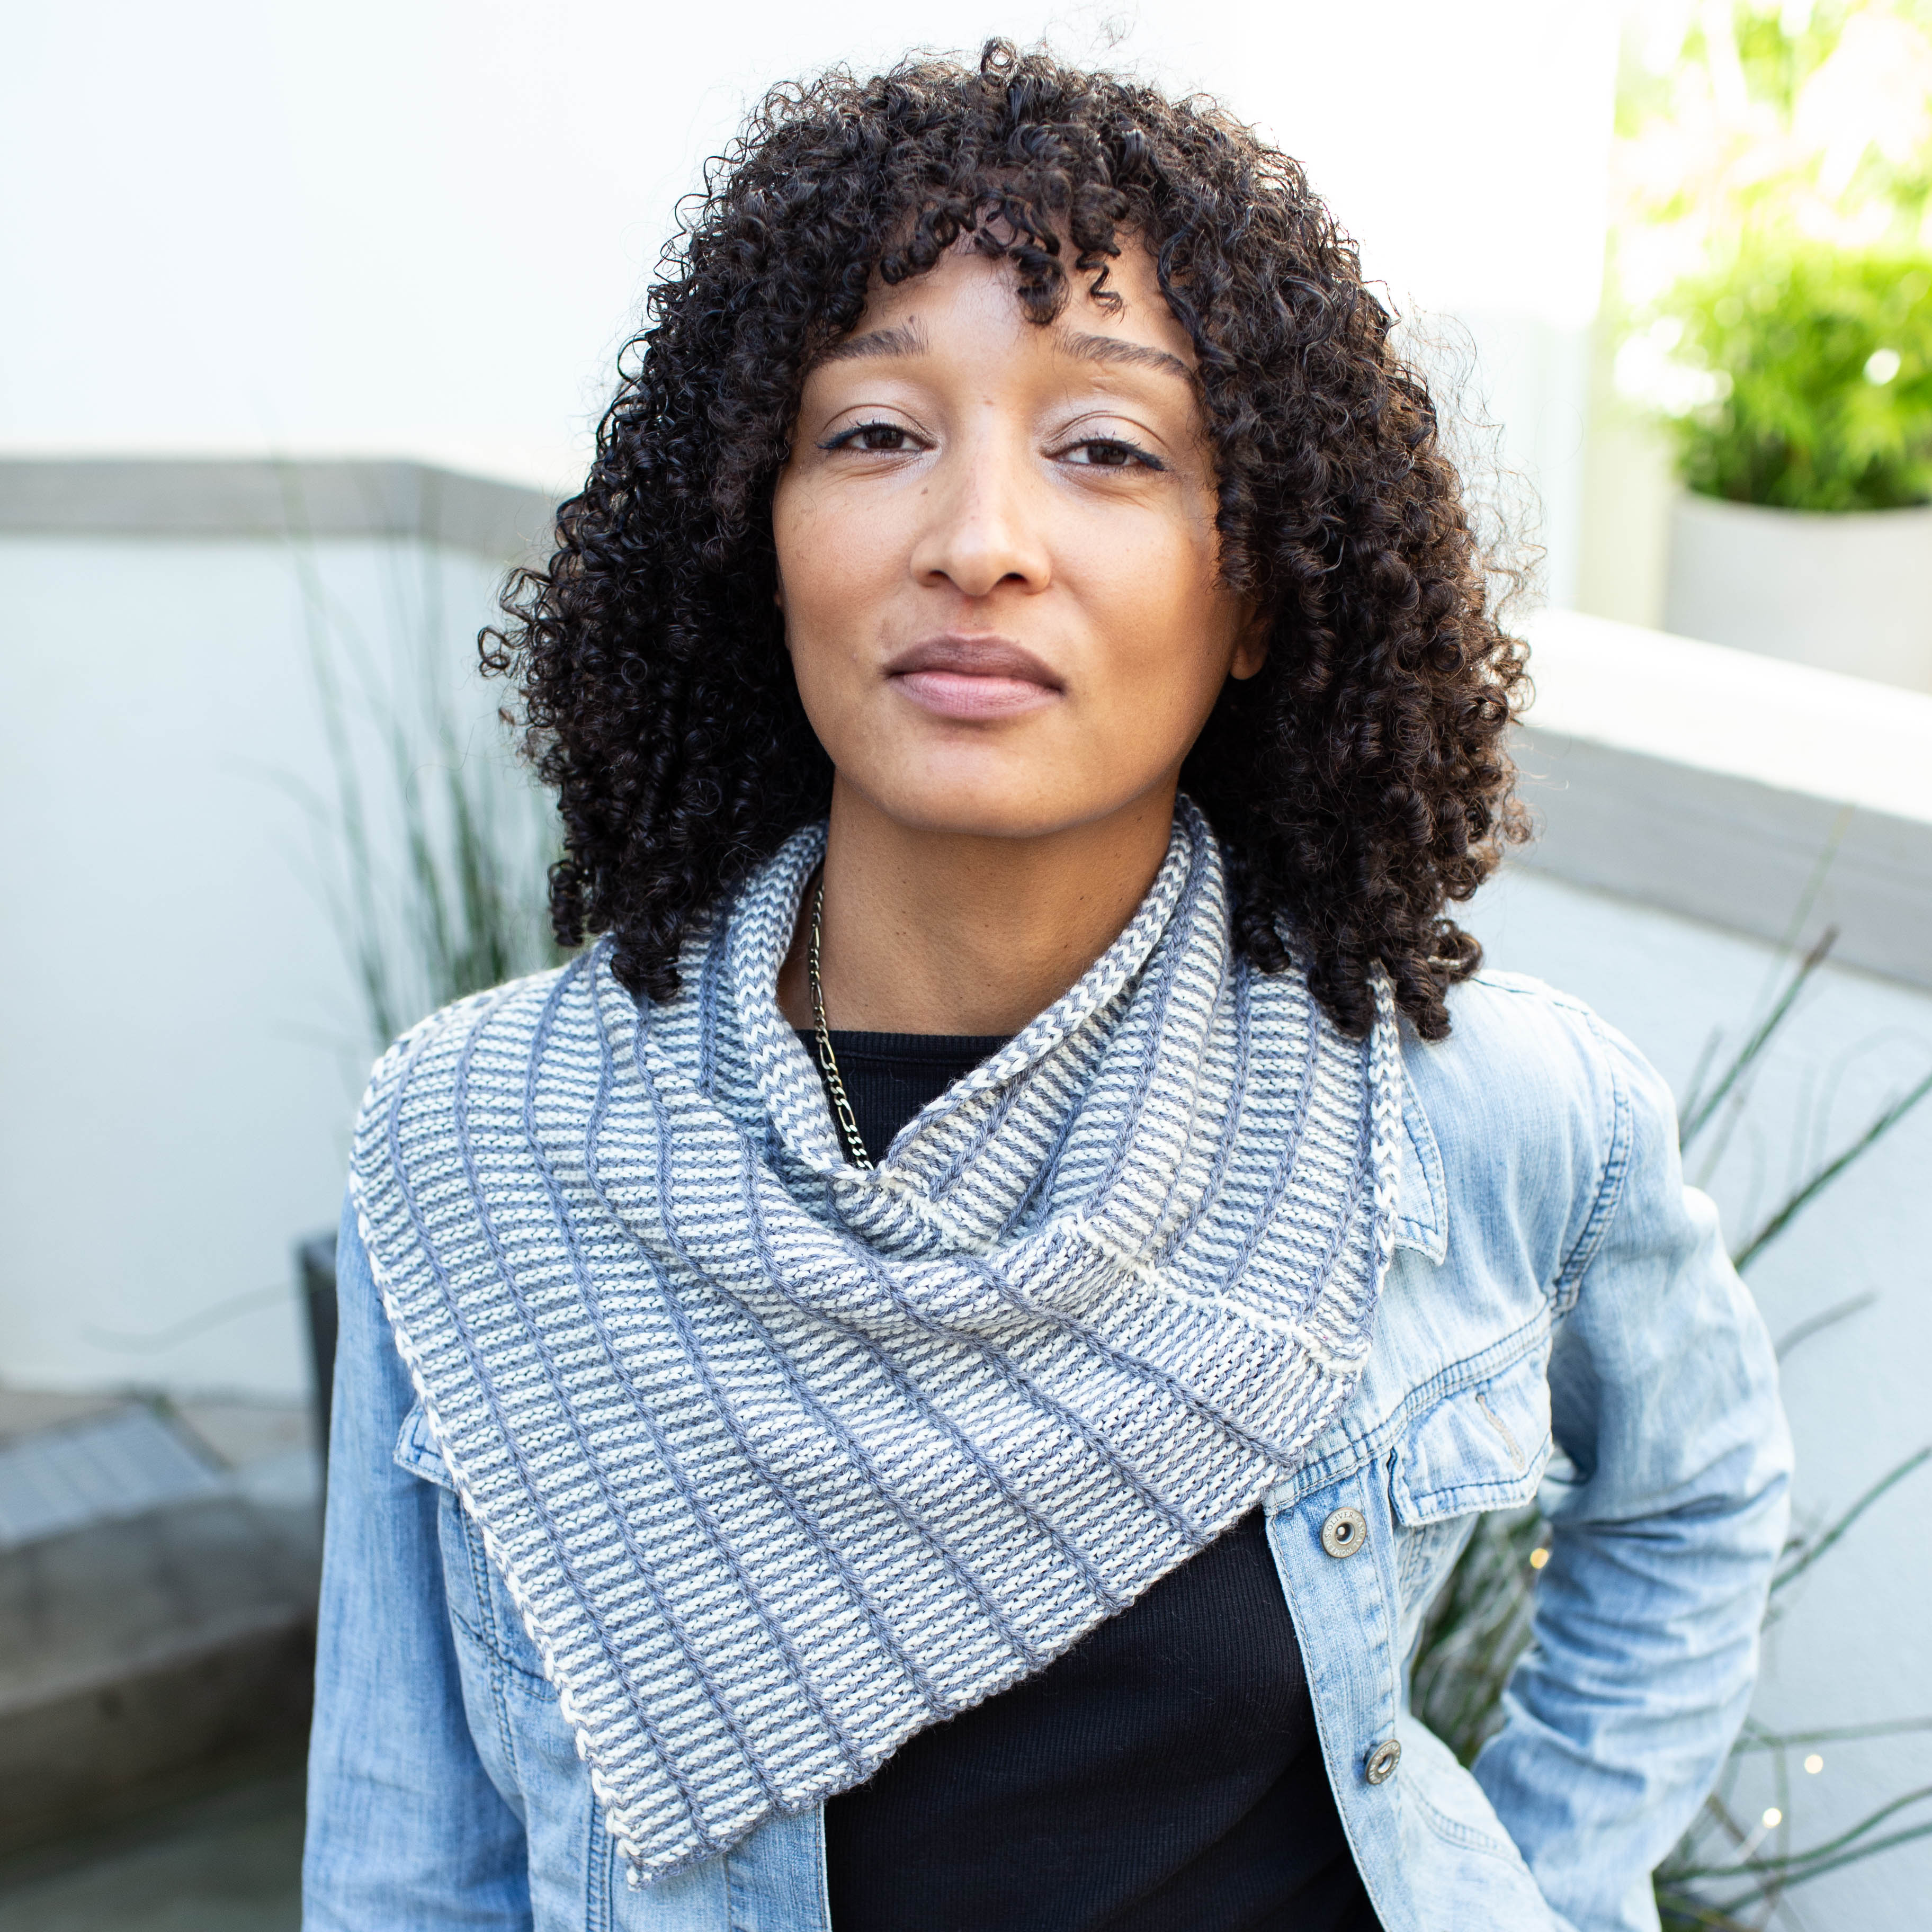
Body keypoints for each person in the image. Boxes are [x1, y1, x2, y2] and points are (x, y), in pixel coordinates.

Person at [301, 43, 1790, 1932]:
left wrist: (1550, 1892)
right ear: (756, 539)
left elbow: (1695, 1502)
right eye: (874, 433)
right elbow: (407, 1866)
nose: (979, 540)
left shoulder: (1466, 1113)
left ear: (1262, 589)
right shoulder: (483, 1145)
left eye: (1108, 448)